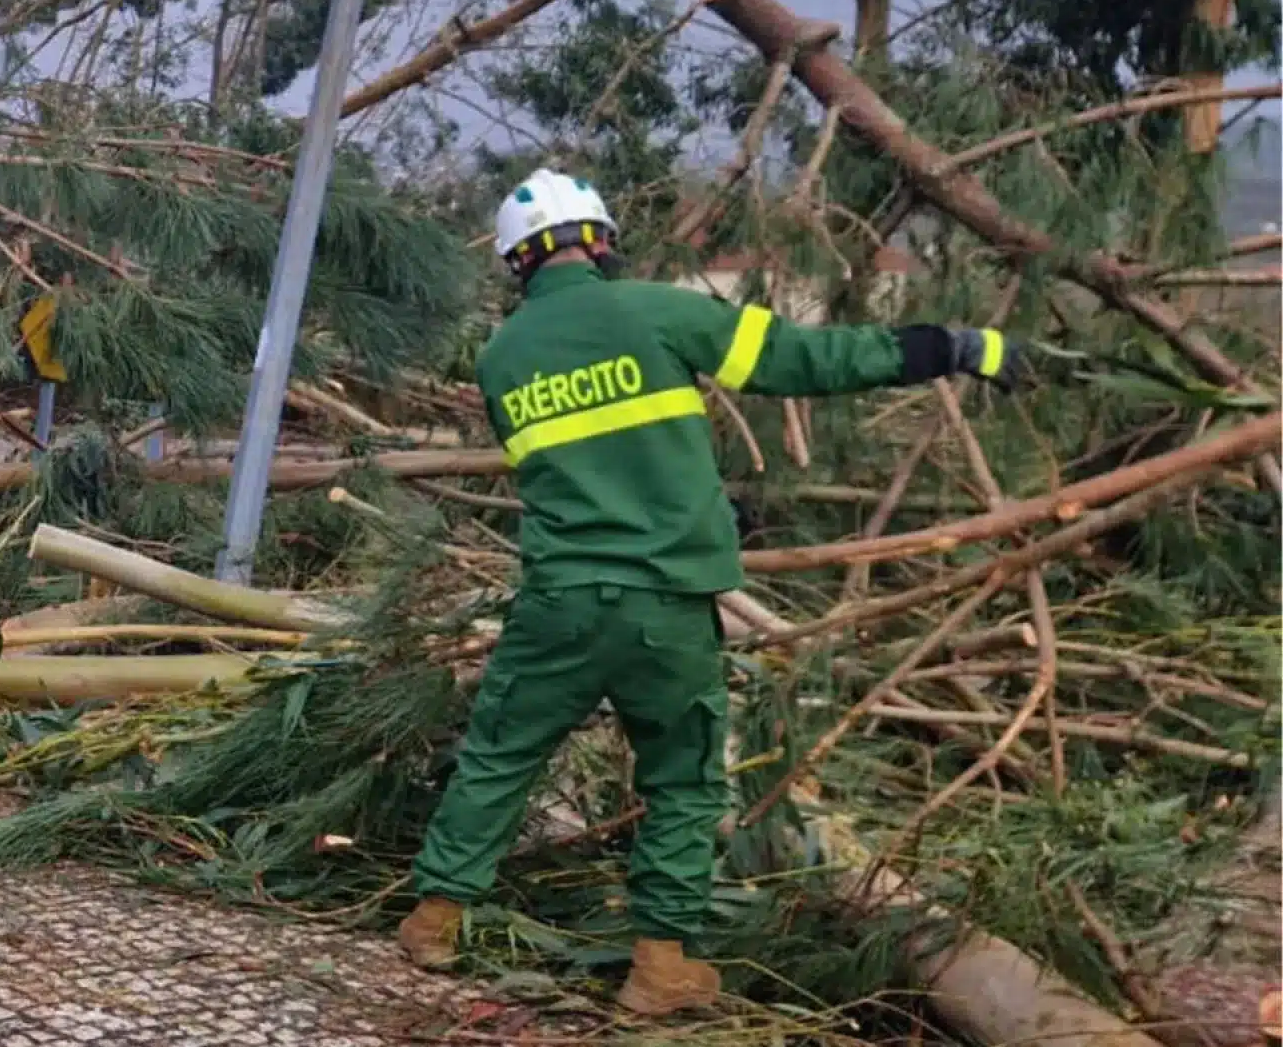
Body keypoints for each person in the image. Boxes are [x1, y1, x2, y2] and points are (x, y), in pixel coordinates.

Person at [396, 168, 1024, 1016]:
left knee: (502, 754)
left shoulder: (501, 357)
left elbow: (562, 470)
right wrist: (954, 348)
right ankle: (660, 970)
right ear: (600, 240)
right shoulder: (657, 311)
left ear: (517, 263)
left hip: (561, 601)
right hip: (666, 604)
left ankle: (434, 919)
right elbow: (804, 360)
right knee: (684, 785)